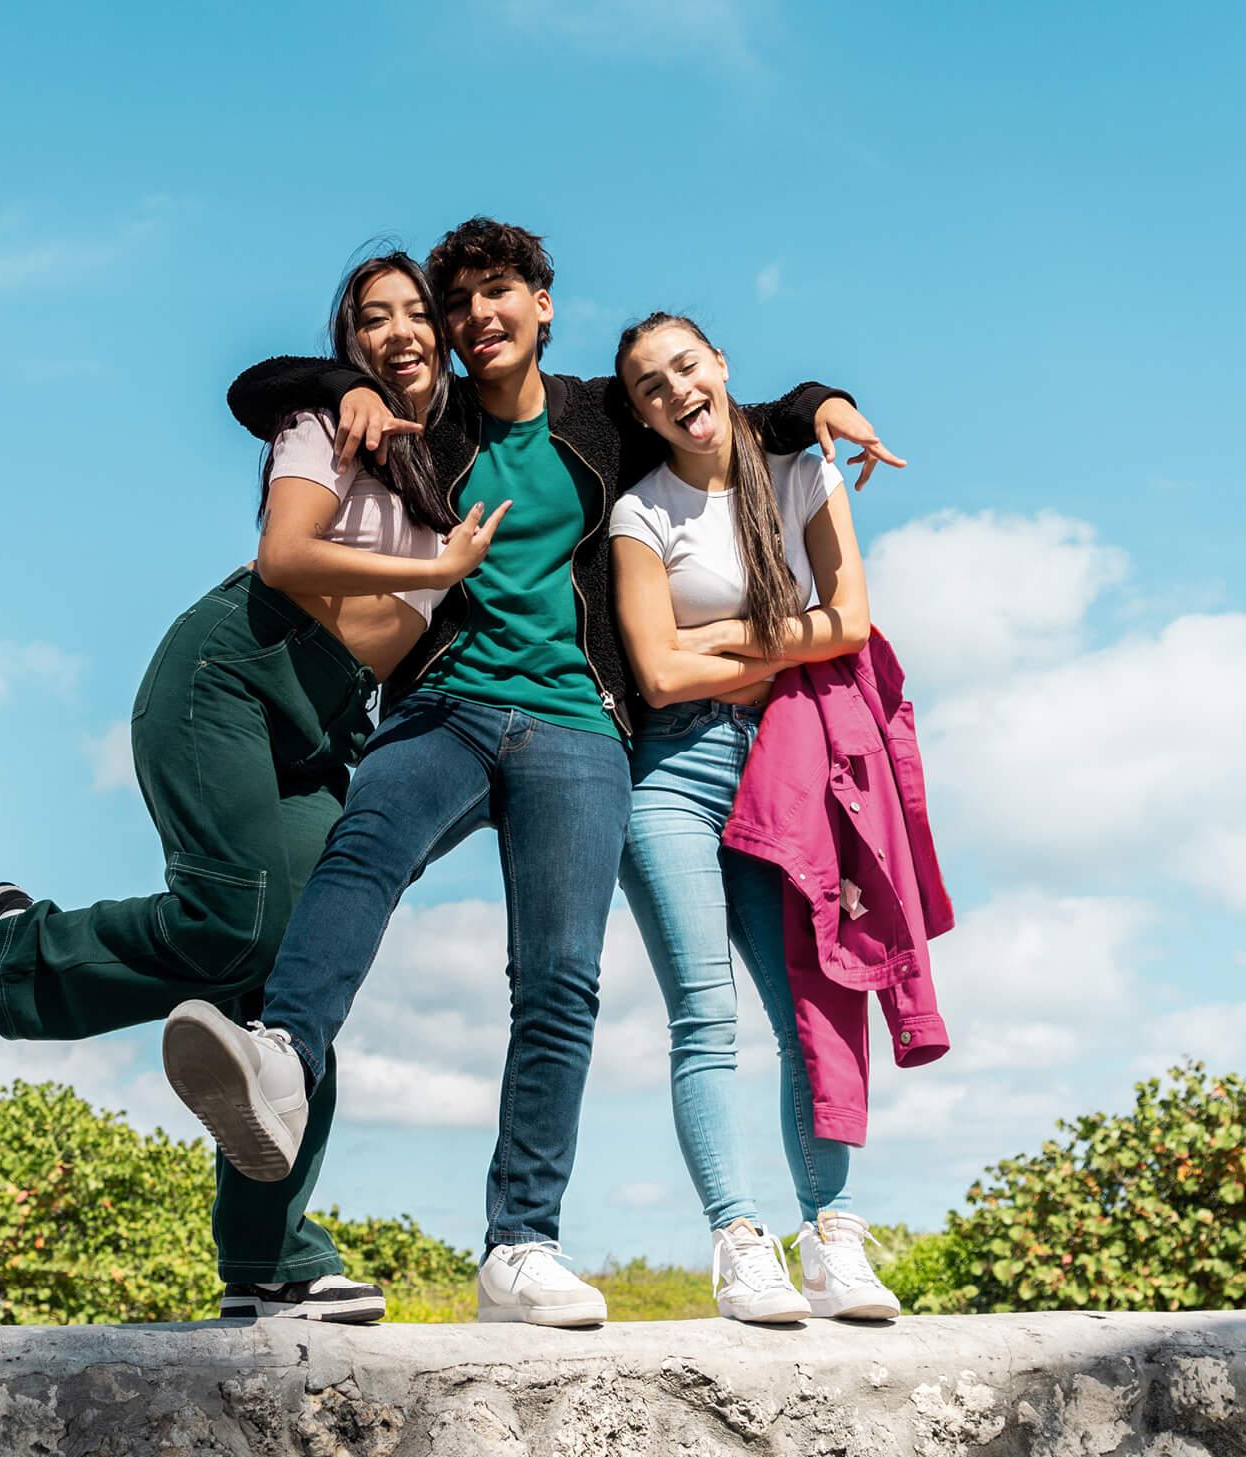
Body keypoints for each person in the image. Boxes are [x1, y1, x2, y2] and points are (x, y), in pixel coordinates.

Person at [160, 217, 904, 1327]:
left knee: (557, 982)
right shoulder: (432, 415)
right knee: (363, 852)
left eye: (494, 295)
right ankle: (278, 1057)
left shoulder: (604, 416)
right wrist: (337, 381)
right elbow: (256, 388)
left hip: (578, 726)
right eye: (456, 307)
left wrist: (826, 404)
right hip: (448, 702)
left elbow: (741, 418)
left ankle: (520, 1245)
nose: (472, 320)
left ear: (542, 303)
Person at [0, 249, 509, 1324]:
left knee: (294, 981)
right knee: (230, 913)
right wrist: (425, 558)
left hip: (327, 721)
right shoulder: (329, 419)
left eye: (417, 312)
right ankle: (9, 952)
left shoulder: (452, 454)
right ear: (351, 342)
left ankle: (269, 1259)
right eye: (371, 320)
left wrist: (806, 410)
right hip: (230, 669)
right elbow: (285, 551)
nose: (399, 331)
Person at [606, 311, 903, 1325]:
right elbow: (655, 671)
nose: (674, 391)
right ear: (639, 412)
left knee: (808, 1014)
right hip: (673, 775)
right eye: (649, 386)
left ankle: (834, 1238)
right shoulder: (639, 515)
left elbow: (852, 621)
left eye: (685, 366)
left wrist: (723, 640)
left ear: (721, 366)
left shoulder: (800, 473)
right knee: (706, 1014)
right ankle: (740, 1242)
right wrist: (784, 639)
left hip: (780, 766)